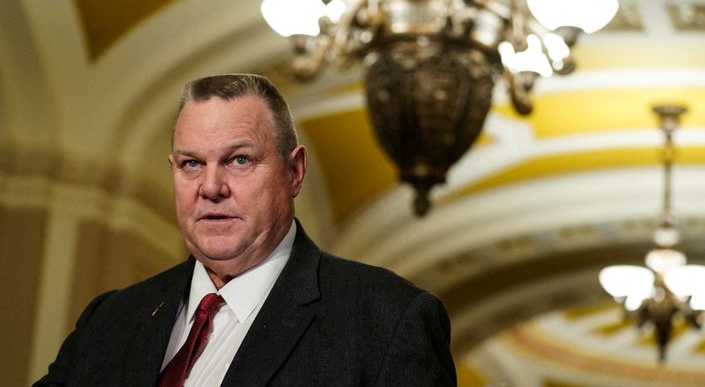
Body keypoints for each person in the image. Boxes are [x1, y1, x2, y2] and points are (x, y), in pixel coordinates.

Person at [34, 73, 456, 386]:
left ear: (294, 172)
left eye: (239, 160)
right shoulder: (109, 319)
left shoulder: (388, 321)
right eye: (191, 164)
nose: (211, 187)